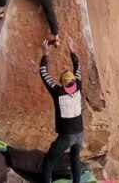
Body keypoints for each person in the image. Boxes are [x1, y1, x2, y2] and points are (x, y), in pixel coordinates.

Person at [39, 37, 83, 183]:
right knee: (75, 158)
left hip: (66, 136)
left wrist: (45, 53)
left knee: (49, 161)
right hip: (80, 133)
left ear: (62, 84)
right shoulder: (78, 88)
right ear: (74, 82)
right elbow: (78, 67)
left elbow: (43, 73)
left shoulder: (58, 93)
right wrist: (72, 49)